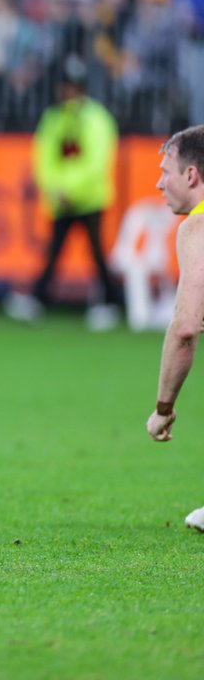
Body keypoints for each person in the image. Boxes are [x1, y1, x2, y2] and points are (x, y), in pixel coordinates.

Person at [4, 55, 124, 330]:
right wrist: (54, 189)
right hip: (63, 200)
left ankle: (107, 302)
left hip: (90, 198)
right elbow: (44, 159)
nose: (65, 91)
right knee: (55, 251)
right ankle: (40, 298)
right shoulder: (54, 117)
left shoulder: (96, 118)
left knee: (95, 252)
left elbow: (97, 161)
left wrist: (67, 189)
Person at [146, 125, 204, 532]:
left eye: (167, 171)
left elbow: (185, 328)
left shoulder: (197, 228)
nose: (159, 181)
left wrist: (163, 408)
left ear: (191, 176)